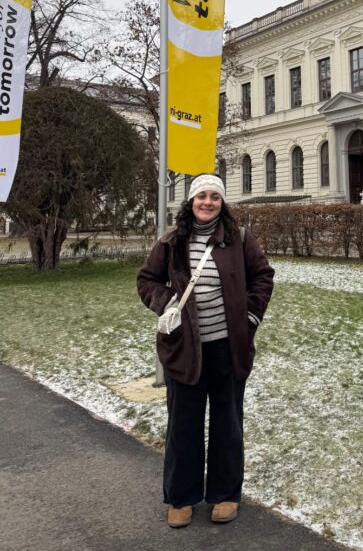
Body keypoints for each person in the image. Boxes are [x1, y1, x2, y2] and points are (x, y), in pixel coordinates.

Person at [137, 173, 274, 528]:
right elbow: (147, 280)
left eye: (215, 197)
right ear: (191, 201)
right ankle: (181, 497)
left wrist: (250, 316)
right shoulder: (172, 240)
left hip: (228, 349)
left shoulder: (238, 238)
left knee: (228, 424)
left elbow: (263, 276)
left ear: (222, 203)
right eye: (202, 196)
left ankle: (225, 494)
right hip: (184, 349)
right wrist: (166, 302)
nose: (208, 202)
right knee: (183, 425)